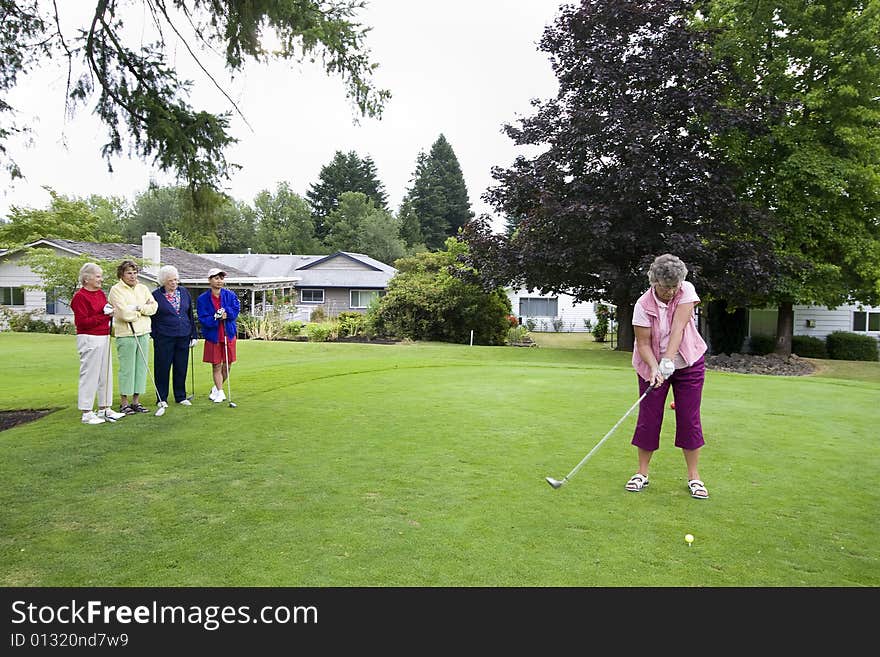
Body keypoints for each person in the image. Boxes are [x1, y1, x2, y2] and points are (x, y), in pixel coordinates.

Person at [626, 253, 709, 499]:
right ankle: (641, 473)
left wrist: (669, 361)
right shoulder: (642, 305)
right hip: (651, 364)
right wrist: (654, 367)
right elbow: (642, 344)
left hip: (688, 361)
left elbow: (678, 329)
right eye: (665, 287)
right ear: (654, 282)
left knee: (689, 418)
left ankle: (694, 477)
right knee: (648, 418)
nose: (671, 292)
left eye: (675, 287)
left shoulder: (686, 290)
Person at [70, 263, 127, 425]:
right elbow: (83, 322)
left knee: (105, 373)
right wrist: (105, 316)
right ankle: (87, 412)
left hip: (103, 336)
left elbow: (104, 309)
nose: (100, 279)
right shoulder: (80, 297)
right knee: (90, 374)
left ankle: (104, 408)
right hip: (89, 338)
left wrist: (108, 311)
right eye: (97, 276)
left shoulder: (100, 294)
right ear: (87, 278)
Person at [108, 260, 158, 414]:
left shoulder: (143, 288)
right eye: (129, 273)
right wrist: (140, 311)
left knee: (141, 368)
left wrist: (138, 308)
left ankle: (136, 401)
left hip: (143, 332)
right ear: (121, 274)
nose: (133, 276)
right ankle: (124, 403)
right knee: (127, 369)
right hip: (126, 333)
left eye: (135, 272)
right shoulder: (116, 290)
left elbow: (153, 307)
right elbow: (123, 313)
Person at [151, 265, 198, 407]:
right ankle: (161, 398)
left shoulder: (184, 292)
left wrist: (193, 335)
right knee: (162, 367)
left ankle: (180, 396)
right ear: (164, 281)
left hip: (183, 334)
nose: (174, 283)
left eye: (176, 280)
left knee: (181, 366)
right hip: (164, 336)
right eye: (171, 280)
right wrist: (155, 335)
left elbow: (189, 314)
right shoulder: (156, 295)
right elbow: (152, 317)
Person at [196, 268, 240, 403]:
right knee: (216, 365)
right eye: (216, 278)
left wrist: (227, 314)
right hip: (214, 335)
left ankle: (216, 388)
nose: (219, 281)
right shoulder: (202, 299)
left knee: (228, 364)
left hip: (228, 333)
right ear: (210, 280)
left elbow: (235, 309)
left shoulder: (230, 295)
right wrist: (215, 318)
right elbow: (202, 318)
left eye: (221, 278)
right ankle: (220, 392)